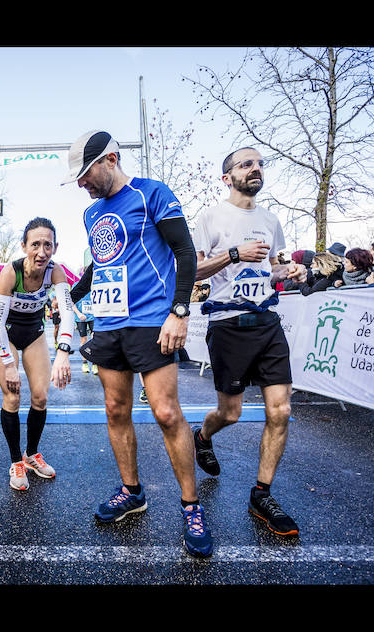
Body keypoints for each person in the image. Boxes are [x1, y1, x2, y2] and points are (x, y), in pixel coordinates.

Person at [64, 130, 212, 557]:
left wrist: (179, 311)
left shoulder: (152, 194)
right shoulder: (92, 215)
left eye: (85, 172)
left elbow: (185, 252)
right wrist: (71, 297)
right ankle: (132, 491)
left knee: (166, 413)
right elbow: (100, 262)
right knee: (115, 409)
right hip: (109, 323)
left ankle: (190, 505)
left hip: (152, 320)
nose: (82, 183)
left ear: (110, 159)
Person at [192, 146, 307, 538]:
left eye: (259, 164)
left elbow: (272, 268)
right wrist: (234, 254)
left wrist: (289, 271)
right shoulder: (210, 217)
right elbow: (192, 269)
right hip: (226, 323)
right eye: (246, 164)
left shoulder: (272, 220)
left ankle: (262, 493)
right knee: (231, 413)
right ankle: (203, 436)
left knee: (280, 410)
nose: (255, 169)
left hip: (267, 322)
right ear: (227, 178)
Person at [0, 217, 74, 491]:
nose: (41, 251)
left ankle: (31, 455)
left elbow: (68, 312)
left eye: (47, 245)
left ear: (55, 247)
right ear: (24, 245)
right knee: (12, 396)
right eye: (35, 244)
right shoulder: (11, 273)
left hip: (35, 332)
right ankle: (15, 461)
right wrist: (8, 363)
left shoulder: (55, 271)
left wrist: (63, 351)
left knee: (40, 396)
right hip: (7, 333)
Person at [72, 287, 97, 375]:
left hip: (93, 316)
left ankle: (94, 363)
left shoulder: (95, 285)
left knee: (95, 339)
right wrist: (79, 314)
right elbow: (71, 301)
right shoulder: (77, 285)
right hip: (80, 317)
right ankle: (85, 363)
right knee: (84, 340)